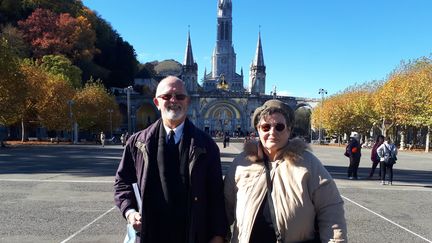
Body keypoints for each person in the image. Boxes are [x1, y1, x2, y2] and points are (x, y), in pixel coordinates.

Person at [114, 76, 227, 243]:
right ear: (157, 102)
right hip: (149, 233)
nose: (173, 100)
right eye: (166, 96)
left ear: (188, 102)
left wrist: (218, 235)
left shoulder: (207, 145)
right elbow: (122, 182)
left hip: (191, 234)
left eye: (180, 96)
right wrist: (130, 211)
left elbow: (216, 194)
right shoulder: (136, 143)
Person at [224, 99, 347, 243]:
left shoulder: (309, 163)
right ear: (258, 129)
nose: (272, 132)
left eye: (279, 127)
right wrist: (219, 237)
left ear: (289, 129)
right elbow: (224, 209)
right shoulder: (241, 163)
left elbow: (331, 210)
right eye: (266, 127)